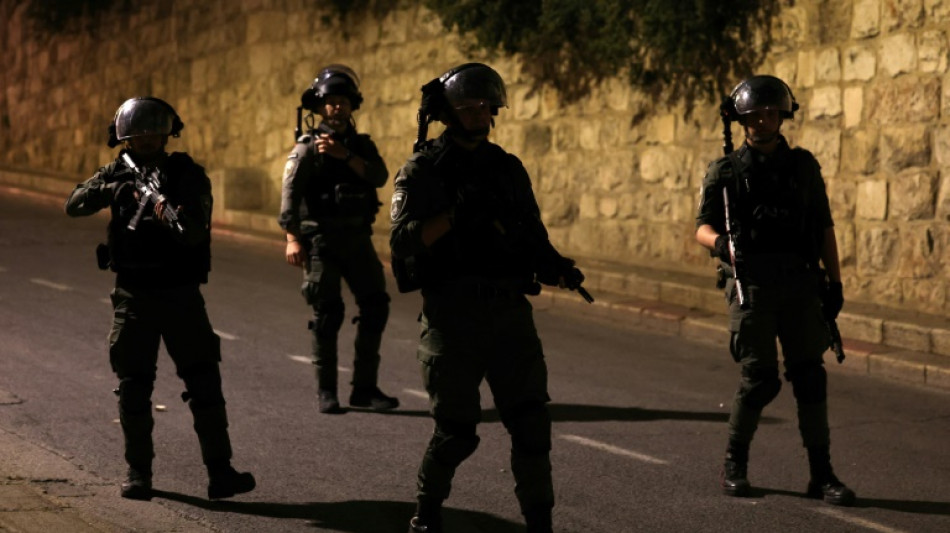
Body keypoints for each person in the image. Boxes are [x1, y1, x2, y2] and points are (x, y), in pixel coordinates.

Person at [390, 62, 586, 533]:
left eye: (485, 106)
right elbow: (402, 242)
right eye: (469, 107)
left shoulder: (507, 168)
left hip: (508, 313)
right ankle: (427, 513)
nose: (480, 114)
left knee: (531, 425)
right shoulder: (423, 169)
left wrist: (556, 266)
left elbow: (532, 233)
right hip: (452, 316)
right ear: (447, 114)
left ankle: (539, 522)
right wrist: (453, 216)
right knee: (456, 433)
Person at [64, 97, 255, 501]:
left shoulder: (186, 174)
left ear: (167, 134)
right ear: (124, 138)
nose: (147, 139)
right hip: (133, 294)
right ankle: (139, 474)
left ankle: (220, 472)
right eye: (139, 133)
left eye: (154, 132)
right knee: (133, 387)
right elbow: (74, 204)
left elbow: (195, 231)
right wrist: (113, 190)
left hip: (180, 292)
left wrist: (166, 213)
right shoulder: (116, 171)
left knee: (203, 381)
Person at [695, 75, 855, 506]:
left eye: (771, 112)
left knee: (810, 377)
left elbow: (824, 227)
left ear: (782, 116)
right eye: (755, 114)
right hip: (753, 286)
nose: (764, 120)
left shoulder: (803, 166)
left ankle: (821, 474)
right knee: (760, 380)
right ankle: (735, 462)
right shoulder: (726, 171)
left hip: (800, 284)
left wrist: (835, 282)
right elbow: (702, 228)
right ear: (741, 119)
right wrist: (721, 244)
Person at [279, 64, 398, 414]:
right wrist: (292, 238)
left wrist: (343, 155)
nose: (337, 107)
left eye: (343, 101)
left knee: (376, 305)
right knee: (328, 314)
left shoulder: (360, 146)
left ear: (352, 105)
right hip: (322, 241)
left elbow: (379, 176)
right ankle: (326, 390)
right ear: (319, 107)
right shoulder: (306, 148)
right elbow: (289, 195)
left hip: (357, 238)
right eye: (331, 102)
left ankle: (364, 389)